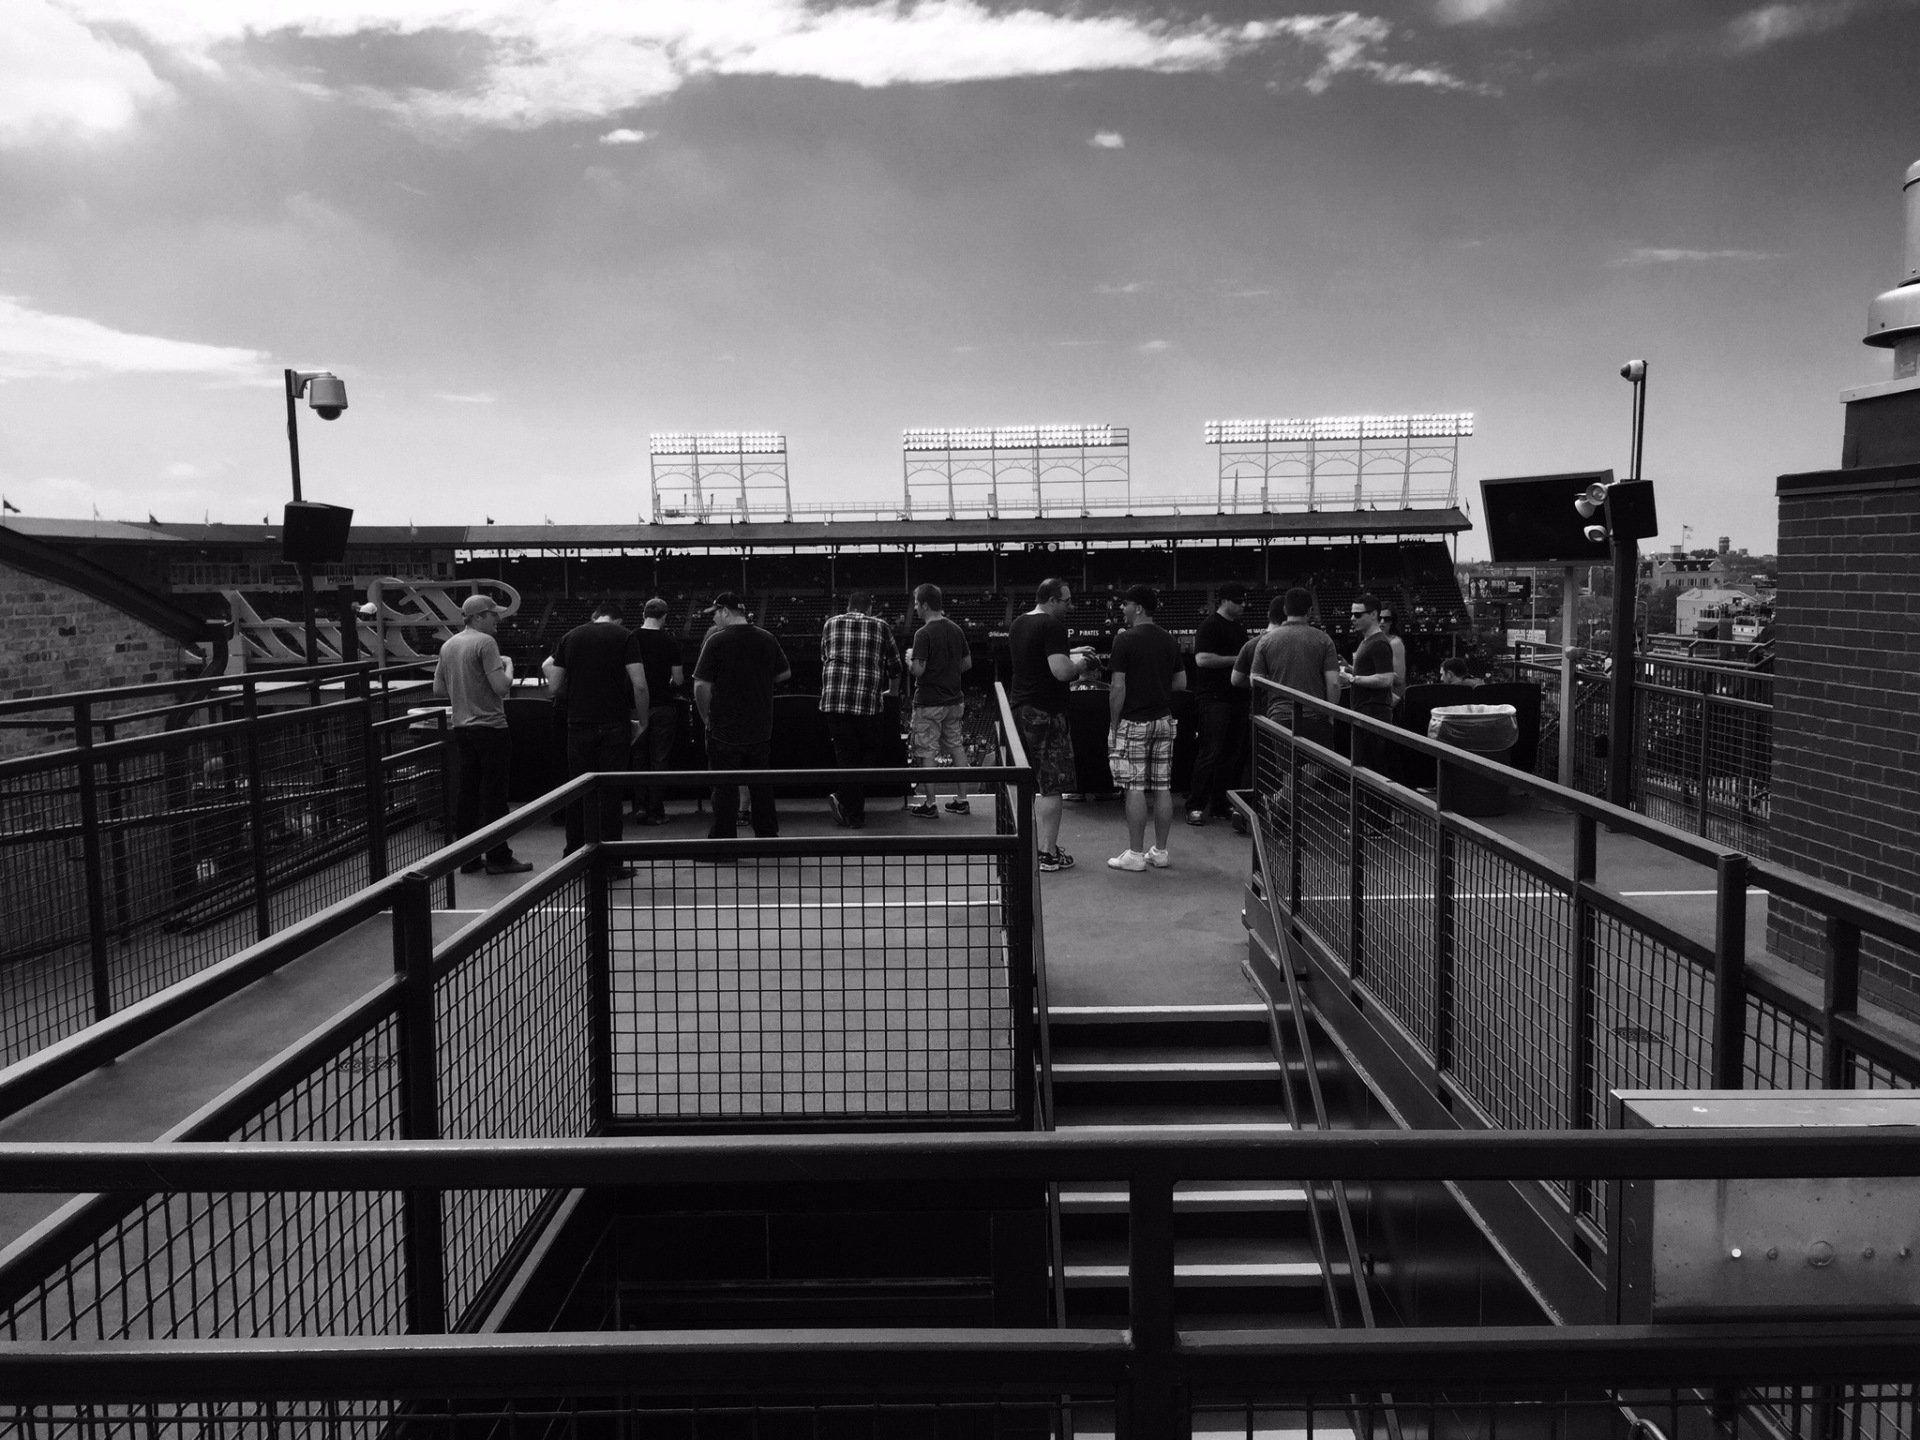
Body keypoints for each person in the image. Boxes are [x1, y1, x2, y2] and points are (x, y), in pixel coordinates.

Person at [433, 593, 532, 875]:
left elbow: (439, 690)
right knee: (494, 794)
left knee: (468, 792)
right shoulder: (485, 642)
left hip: (462, 728)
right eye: (492, 614)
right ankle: (499, 857)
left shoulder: (449, 645)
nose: (497, 619)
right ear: (478, 617)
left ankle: (467, 857)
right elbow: (502, 687)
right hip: (490, 727)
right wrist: (508, 665)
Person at [1008, 577, 1100, 873]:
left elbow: (1038, 660)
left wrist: (1072, 651)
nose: (1070, 605)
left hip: (1022, 707)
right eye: (1066, 600)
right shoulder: (1053, 626)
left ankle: (1040, 847)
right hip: (1047, 711)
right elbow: (1060, 672)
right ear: (1051, 600)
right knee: (1052, 786)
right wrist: (1084, 665)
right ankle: (1047, 853)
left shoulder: (1020, 622)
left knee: (1038, 784)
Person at [542, 600, 646, 858]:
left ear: (595, 616)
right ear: (618, 620)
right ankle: (611, 859)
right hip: (614, 723)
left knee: (578, 789)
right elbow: (640, 685)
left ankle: (574, 853)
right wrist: (642, 722)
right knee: (611, 792)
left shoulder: (571, 636)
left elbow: (553, 687)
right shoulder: (625, 636)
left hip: (578, 723)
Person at [693, 592, 791, 842]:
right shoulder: (767, 638)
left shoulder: (717, 640)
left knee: (724, 787)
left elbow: (701, 685)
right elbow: (784, 673)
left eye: (715, 613)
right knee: (761, 784)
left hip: (725, 728)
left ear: (725, 611)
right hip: (759, 726)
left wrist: (707, 717)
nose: (714, 619)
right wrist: (758, 680)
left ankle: (724, 843)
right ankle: (767, 836)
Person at [1105, 584, 1187, 871]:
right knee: (1163, 787)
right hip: (1164, 720)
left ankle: (1136, 855)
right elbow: (1181, 683)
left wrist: (1115, 725)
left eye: (1125, 604)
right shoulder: (1168, 639)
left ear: (1138, 607)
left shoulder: (1125, 640)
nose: (1122, 609)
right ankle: (1161, 852)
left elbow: (1118, 686)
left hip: (1134, 721)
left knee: (1135, 787)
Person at [818, 590, 902, 829]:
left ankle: (849, 806)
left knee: (846, 757)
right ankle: (852, 810)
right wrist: (893, 692)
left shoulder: (830, 623)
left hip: (835, 700)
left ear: (848, 606)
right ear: (870, 609)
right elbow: (895, 666)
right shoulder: (880, 625)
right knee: (872, 751)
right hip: (867, 702)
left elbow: (824, 658)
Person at [1243, 588, 1343, 746]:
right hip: (1315, 717)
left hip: (1279, 717)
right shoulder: (1324, 639)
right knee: (1317, 767)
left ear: (1285, 609)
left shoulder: (1266, 641)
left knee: (1286, 768)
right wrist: (1330, 716)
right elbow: (1334, 683)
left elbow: (1255, 681)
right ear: (1310, 611)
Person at [1186, 581, 1250, 826]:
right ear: (1224, 600)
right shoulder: (1210, 626)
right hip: (1214, 699)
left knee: (1231, 755)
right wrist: (1238, 660)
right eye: (1238, 601)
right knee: (1210, 752)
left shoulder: (1239, 628)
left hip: (1237, 698)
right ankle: (1196, 805)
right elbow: (1202, 659)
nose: (1243, 605)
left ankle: (1220, 803)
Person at [907, 583, 972, 818]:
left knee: (927, 752)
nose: (915, 608)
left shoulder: (922, 634)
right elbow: (966, 664)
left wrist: (908, 660)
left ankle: (930, 803)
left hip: (929, 702)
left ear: (925, 605)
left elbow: (918, 669)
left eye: (916, 603)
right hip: (954, 700)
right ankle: (962, 800)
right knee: (956, 747)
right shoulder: (956, 629)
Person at [1338, 593, 1397, 832]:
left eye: (1358, 614)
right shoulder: (1368, 642)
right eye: (1352, 614)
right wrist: (1351, 670)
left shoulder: (1379, 642)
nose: (1353, 618)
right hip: (1366, 711)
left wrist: (1353, 678)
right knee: (1366, 767)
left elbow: (1385, 679)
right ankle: (1372, 822)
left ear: (1373, 614)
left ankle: (1376, 824)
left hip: (1373, 713)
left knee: (1371, 768)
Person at [632, 597, 685, 824]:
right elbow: (679, 680)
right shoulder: (670, 641)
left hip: (635, 706)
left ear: (644, 614)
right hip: (663, 704)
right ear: (664, 617)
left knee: (637, 759)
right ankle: (656, 811)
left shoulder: (630, 638)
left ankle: (639, 807)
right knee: (659, 759)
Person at [1378, 604, 1409, 709]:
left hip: (1391, 703)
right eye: (1379, 618)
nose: (1382, 622)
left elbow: (1399, 679)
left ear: (1392, 622)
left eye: (1386, 619)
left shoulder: (1395, 643)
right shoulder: (1372, 641)